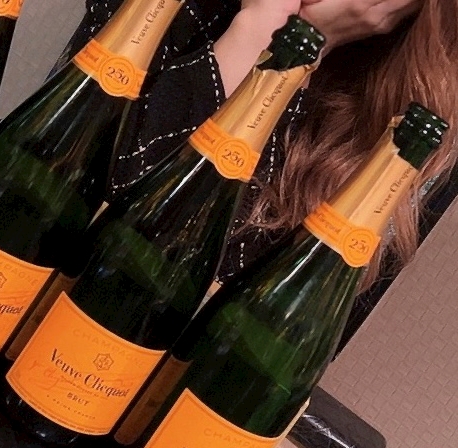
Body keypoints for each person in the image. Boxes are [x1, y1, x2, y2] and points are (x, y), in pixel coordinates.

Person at [50, 0, 458, 288]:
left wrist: (298, 44)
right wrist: (260, 28)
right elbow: (59, 205)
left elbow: (181, 296)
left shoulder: (406, 123)